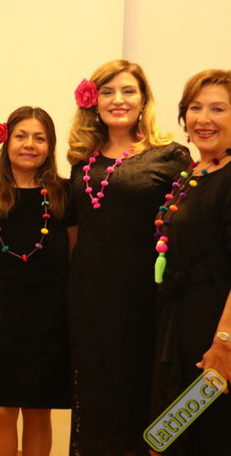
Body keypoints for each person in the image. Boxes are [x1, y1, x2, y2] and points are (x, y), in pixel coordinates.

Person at [66, 60, 191, 455]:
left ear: (143, 100)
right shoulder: (81, 162)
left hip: (145, 304)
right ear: (93, 101)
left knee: (142, 405)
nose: (117, 100)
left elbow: (187, 231)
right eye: (107, 92)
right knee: (95, 406)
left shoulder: (171, 156)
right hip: (89, 306)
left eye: (128, 91)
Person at [0, 106, 73, 456]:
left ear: (50, 146)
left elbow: (75, 258)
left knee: (39, 413)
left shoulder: (64, 193)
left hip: (50, 324)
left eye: (39, 138)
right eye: (21, 136)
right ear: (6, 141)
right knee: (0, 411)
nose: (29, 145)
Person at [149, 69, 231, 455]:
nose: (203, 118)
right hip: (179, 327)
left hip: (214, 334)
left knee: (208, 434)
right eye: (195, 108)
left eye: (218, 109)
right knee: (168, 437)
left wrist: (224, 342)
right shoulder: (194, 173)